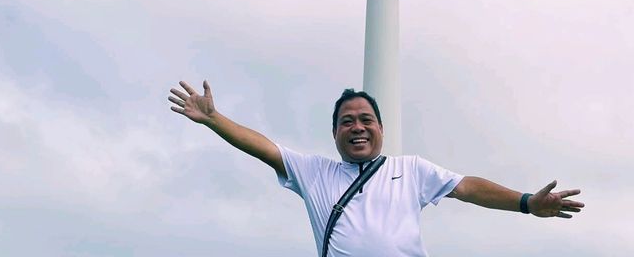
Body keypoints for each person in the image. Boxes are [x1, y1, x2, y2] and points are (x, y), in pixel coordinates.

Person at [169, 80, 584, 257]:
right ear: (334, 133)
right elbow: (264, 147)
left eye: (366, 119)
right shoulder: (316, 173)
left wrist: (527, 202)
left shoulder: (411, 170)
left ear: (381, 128)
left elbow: (468, 187)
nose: (357, 127)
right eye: (346, 121)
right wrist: (214, 119)